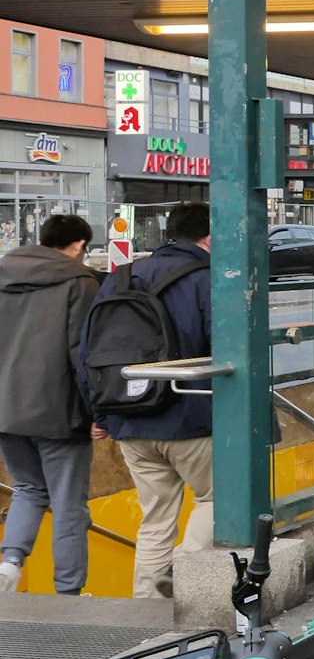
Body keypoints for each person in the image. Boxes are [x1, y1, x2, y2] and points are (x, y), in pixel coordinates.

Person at [80, 200, 214, 599]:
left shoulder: (121, 277)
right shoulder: (208, 278)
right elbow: (227, 348)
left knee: (155, 518)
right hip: (191, 419)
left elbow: (87, 352)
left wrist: (101, 415)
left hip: (130, 419)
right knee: (220, 498)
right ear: (209, 236)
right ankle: (183, 563)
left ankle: (146, 607)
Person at [0, 215, 103, 594]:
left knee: (28, 488)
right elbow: (83, 355)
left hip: (6, 408)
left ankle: (10, 563)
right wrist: (97, 412)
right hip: (58, 409)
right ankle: (69, 592)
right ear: (78, 245)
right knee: (68, 504)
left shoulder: (4, 273)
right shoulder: (80, 282)